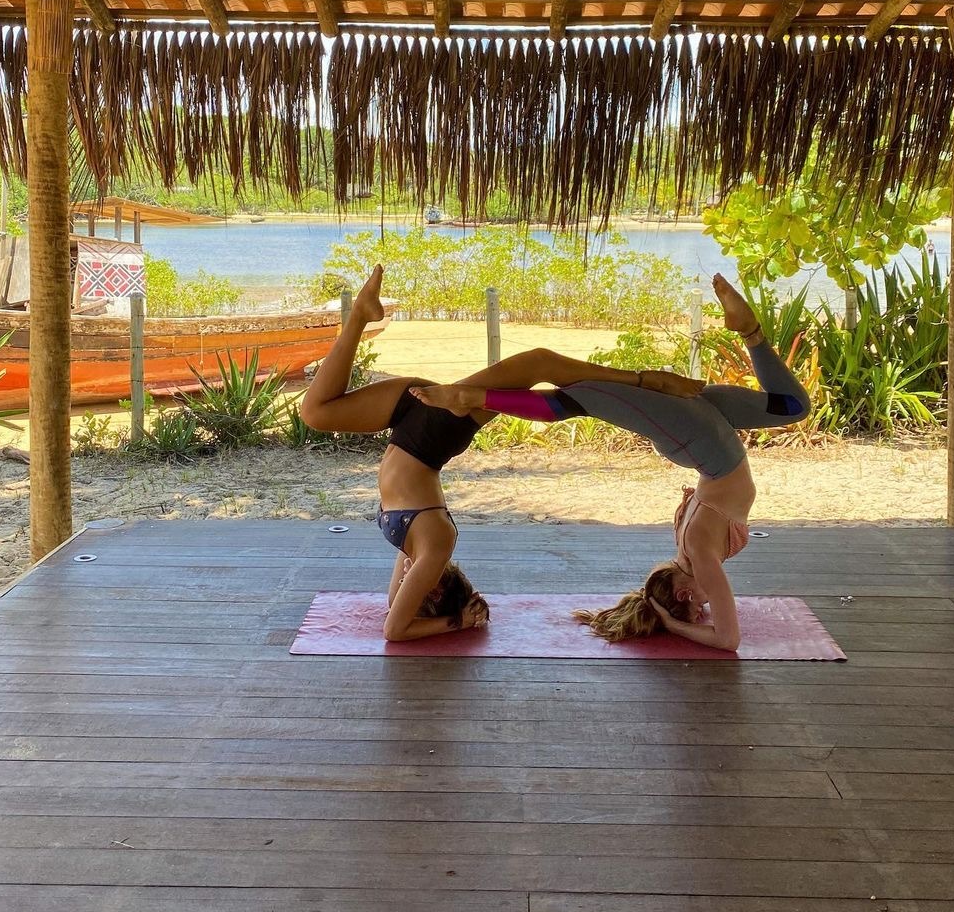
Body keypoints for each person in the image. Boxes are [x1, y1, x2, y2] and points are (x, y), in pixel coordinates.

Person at [300, 265, 703, 641]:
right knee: (538, 365)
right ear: (434, 591)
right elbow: (396, 628)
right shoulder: (436, 544)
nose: (406, 580)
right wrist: (459, 622)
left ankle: (360, 316)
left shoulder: (416, 550)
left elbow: (395, 614)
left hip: (413, 426)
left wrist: (443, 615)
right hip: (432, 433)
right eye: (415, 586)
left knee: (315, 412)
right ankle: (644, 383)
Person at [412, 274, 811, 651]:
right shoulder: (692, 552)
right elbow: (717, 625)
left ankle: (473, 398)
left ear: (685, 594)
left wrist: (670, 623)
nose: (706, 606)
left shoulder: (699, 556)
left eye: (699, 607)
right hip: (705, 440)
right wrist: (661, 614)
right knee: (792, 406)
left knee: (579, 396)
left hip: (702, 441)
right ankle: (749, 330)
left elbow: (727, 639)